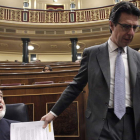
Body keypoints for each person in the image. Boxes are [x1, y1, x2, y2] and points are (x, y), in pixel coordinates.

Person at [41, 2, 140, 140]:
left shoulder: (137, 57)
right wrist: (53, 112)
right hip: (102, 122)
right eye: (126, 26)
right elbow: (76, 86)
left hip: (132, 123)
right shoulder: (92, 54)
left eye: (135, 27)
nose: (131, 33)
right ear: (111, 25)